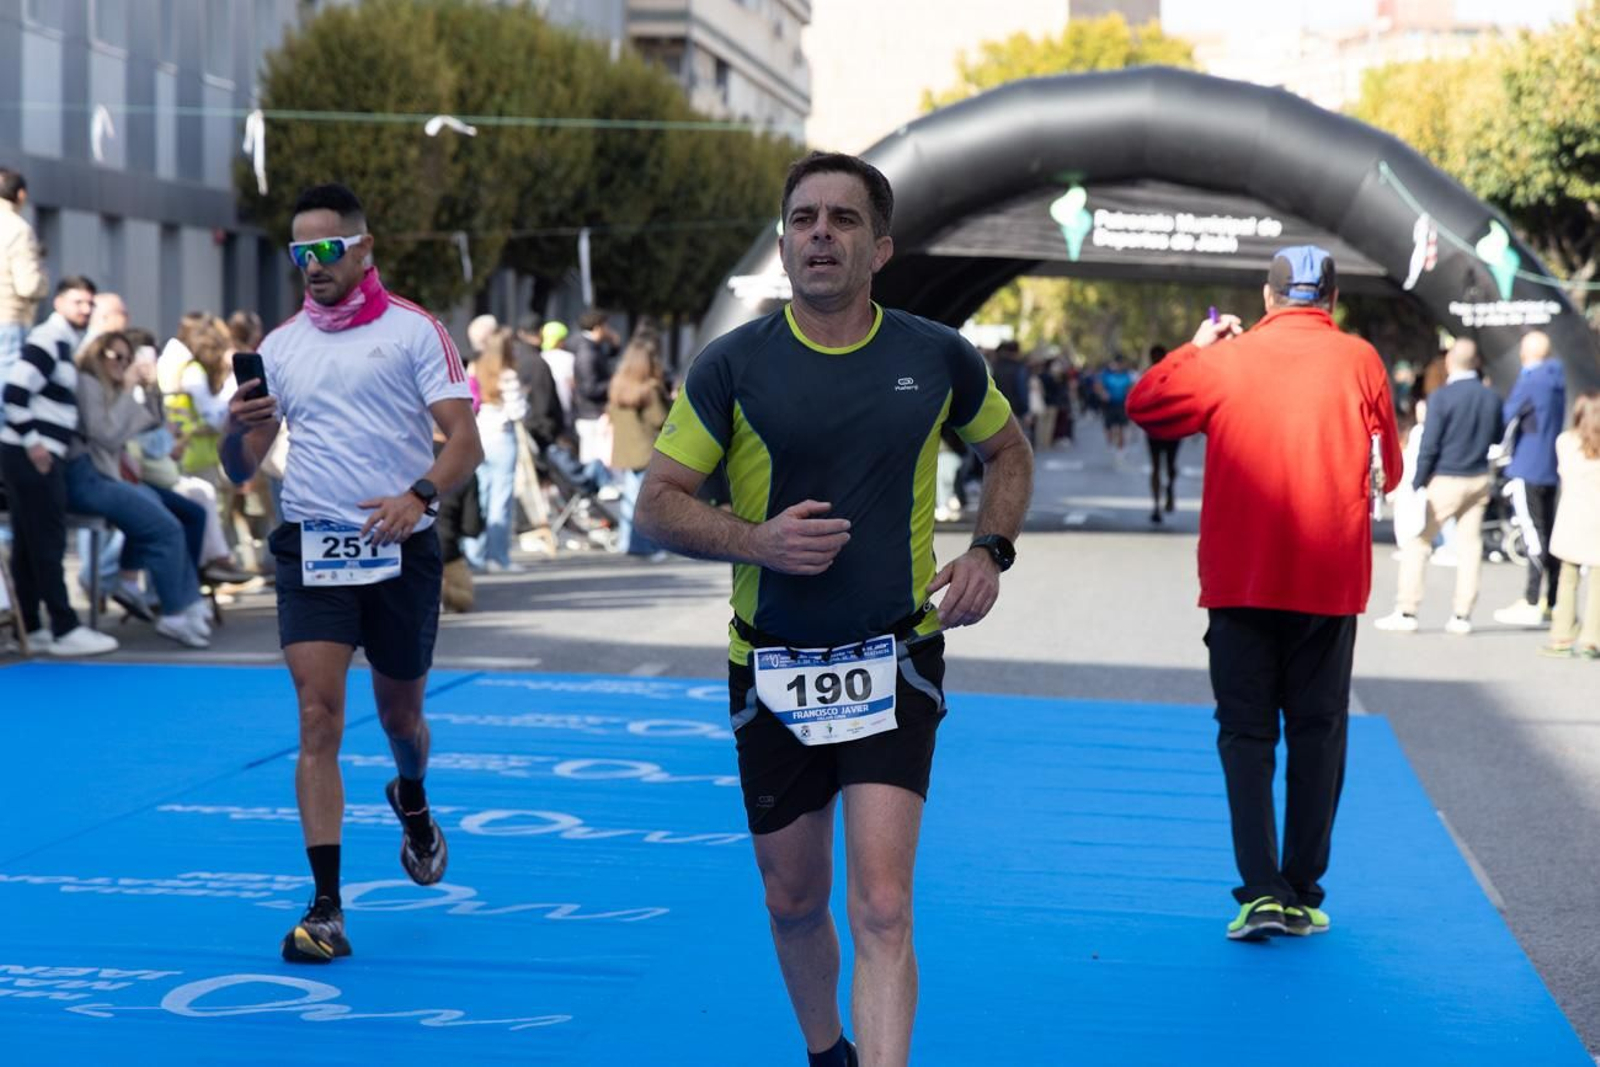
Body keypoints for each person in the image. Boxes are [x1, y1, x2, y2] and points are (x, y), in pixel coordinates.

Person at [636, 151, 1033, 1067]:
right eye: (805, 219)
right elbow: (657, 502)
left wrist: (990, 549)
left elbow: (1008, 453)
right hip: (770, 663)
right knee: (793, 898)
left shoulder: (935, 355)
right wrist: (758, 540)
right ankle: (829, 1054)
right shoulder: (732, 363)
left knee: (884, 903)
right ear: (783, 246)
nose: (822, 234)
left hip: (895, 656)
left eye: (843, 220)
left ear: (880, 247)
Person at [221, 182, 482, 964]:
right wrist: (243, 433)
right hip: (313, 547)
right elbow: (243, 471)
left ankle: (412, 798)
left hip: (401, 550)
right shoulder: (280, 346)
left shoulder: (414, 331)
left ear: (364, 249)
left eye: (327, 249)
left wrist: (419, 495)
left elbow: (465, 441)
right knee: (317, 717)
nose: (313, 265)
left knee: (400, 718)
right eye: (301, 252)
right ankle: (327, 906)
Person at [1127, 245, 1401, 942]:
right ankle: (1305, 891)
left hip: (1240, 581)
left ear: (1270, 296)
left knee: (1246, 734)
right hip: (1328, 582)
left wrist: (1196, 346)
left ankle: (1260, 893)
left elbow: (1146, 404)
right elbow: (1389, 470)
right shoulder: (1361, 361)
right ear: (1331, 299)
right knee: (1319, 734)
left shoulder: (1230, 357)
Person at [70, 330, 213, 646]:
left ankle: (185, 602)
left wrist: (145, 388)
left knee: (183, 516)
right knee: (165, 526)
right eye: (116, 357)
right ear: (98, 354)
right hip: (91, 478)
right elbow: (105, 434)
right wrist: (130, 386)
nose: (123, 363)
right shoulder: (88, 383)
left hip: (109, 476)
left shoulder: (113, 387)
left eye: (127, 357)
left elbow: (150, 425)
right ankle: (172, 609)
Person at [0, 276, 118, 656]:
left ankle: (32, 626)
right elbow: (14, 394)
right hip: (31, 455)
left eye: (89, 303)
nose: (85, 309)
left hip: (30, 453)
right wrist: (35, 444)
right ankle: (64, 627)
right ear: (59, 302)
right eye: (78, 302)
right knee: (47, 541)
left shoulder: (64, 341)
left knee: (30, 543)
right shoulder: (48, 338)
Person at [1374, 339, 1503, 635]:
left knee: (1417, 543)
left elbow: (1429, 445)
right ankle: (1462, 614)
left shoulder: (1441, 398)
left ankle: (1407, 609)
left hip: (1445, 477)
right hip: (1478, 477)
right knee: (1470, 546)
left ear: (1449, 363)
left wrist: (1418, 481)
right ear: (1477, 364)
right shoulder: (1491, 398)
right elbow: (1496, 436)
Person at [1494, 330, 1567, 627]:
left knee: (1532, 533)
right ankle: (1551, 599)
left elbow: (1508, 418)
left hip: (1527, 465)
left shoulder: (1530, 381)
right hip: (1550, 465)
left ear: (1526, 354)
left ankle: (1532, 598)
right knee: (1549, 533)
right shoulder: (1558, 381)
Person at [1541, 392, 1600, 658]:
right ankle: (1592, 639)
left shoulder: (1565, 442)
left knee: (1568, 578)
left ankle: (1562, 635)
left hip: (1572, 518)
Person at [463, 327, 523, 571]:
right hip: (501, 436)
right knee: (501, 500)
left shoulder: (475, 367)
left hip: (478, 436)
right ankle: (498, 556)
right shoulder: (507, 374)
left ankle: (474, 554)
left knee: (480, 496)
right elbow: (516, 411)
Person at [605, 331, 670, 556]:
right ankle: (642, 546)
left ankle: (626, 542)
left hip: (623, 451)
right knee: (646, 502)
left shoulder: (617, 384)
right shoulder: (649, 389)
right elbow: (660, 419)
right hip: (646, 449)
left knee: (630, 499)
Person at [0, 168, 49, 383]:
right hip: (8, 318)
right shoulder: (17, 228)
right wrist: (43, 281)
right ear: (21, 195)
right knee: (7, 390)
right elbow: (28, 285)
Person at [571, 309, 619, 468]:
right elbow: (589, 388)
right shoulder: (587, 352)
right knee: (594, 460)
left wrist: (615, 345)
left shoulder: (593, 348)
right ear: (598, 327)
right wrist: (613, 383)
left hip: (593, 413)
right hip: (590, 414)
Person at [1144, 344, 1181, 523]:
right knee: (1160, 467)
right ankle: (1158, 504)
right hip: (1160, 429)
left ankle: (1166, 494)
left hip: (1166, 428)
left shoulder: (1169, 375)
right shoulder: (1153, 376)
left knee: (1164, 467)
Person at [1098, 354, 1136, 456]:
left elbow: (1131, 387)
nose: (1119, 365)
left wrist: (1130, 395)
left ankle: (1120, 447)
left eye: (1121, 363)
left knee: (1121, 427)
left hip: (1121, 404)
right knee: (1109, 427)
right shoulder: (1107, 374)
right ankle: (1110, 443)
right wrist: (1103, 393)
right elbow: (1099, 386)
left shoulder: (1127, 374)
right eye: (1117, 363)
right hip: (1109, 405)